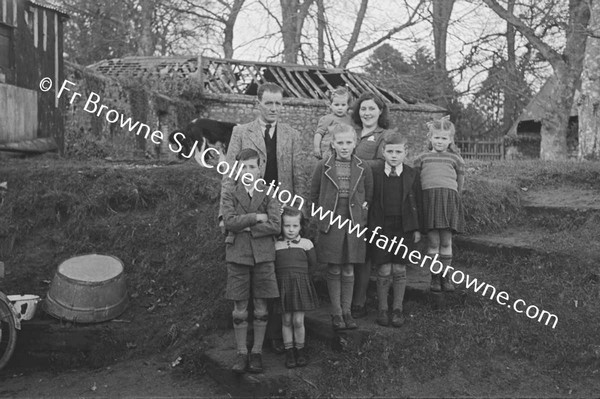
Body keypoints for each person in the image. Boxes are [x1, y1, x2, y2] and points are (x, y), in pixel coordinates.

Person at [220, 82, 305, 354]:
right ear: (258, 103)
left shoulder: (292, 134)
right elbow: (229, 173)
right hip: (247, 207)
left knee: (278, 273)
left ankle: (279, 335)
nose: (274, 108)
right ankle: (254, 343)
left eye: (279, 103)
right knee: (252, 273)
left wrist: (297, 215)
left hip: (279, 210)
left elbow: (298, 176)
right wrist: (224, 215)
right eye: (269, 103)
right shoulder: (242, 132)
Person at [221, 148, 282, 374]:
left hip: (264, 255)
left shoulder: (269, 193)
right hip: (237, 255)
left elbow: (276, 225)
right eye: (243, 167)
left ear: (260, 169)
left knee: (261, 306)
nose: (248, 171)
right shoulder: (229, 193)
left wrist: (246, 227)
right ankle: (241, 353)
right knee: (239, 307)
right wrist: (256, 217)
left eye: (252, 167)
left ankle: (256, 352)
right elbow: (228, 221)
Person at [311, 124, 373, 331]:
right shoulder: (323, 165)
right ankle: (336, 312)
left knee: (349, 268)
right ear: (333, 144)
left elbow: (368, 194)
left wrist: (362, 214)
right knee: (335, 268)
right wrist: (320, 217)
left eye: (348, 142)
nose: (344, 147)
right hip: (332, 221)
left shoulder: (363, 166)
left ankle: (347, 310)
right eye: (340, 143)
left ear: (355, 143)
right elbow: (314, 193)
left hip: (354, 223)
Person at [367, 131, 422, 327]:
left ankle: (397, 309)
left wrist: (417, 228)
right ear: (383, 151)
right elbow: (369, 200)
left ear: (405, 152)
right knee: (383, 268)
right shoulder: (374, 173)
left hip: (403, 227)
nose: (393, 155)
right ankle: (382, 308)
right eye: (389, 151)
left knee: (399, 267)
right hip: (380, 227)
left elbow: (418, 202)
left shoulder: (411, 174)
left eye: (398, 151)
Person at [350, 92, 395, 319]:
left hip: (371, 196)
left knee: (365, 250)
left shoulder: (384, 135)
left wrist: (351, 161)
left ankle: (360, 300)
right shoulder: (352, 132)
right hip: (347, 196)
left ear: (380, 111)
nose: (366, 113)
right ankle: (346, 299)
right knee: (349, 247)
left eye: (371, 109)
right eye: (363, 109)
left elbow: (381, 163)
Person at [413, 116, 465, 292]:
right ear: (430, 138)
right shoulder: (421, 159)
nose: (440, 141)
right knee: (433, 242)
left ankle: (446, 277)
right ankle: (434, 278)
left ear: (450, 140)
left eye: (444, 138)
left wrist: (454, 198)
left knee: (446, 241)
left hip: (448, 201)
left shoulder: (456, 159)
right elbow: (415, 182)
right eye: (436, 137)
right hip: (429, 201)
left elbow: (460, 183)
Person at [274, 207, 319, 368]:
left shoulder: (307, 244)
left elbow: (313, 265)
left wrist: (305, 281)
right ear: (281, 226)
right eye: (287, 226)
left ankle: (300, 350)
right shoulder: (276, 245)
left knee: (298, 320)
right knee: (286, 320)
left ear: (301, 226)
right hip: (283, 286)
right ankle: (289, 352)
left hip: (300, 285)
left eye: (295, 226)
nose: (291, 230)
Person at [313, 87, 353, 160]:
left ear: (348, 106)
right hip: (327, 151)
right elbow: (319, 133)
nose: (340, 108)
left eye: (343, 105)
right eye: (336, 105)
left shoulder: (349, 119)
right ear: (330, 105)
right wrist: (316, 148)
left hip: (343, 151)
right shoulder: (327, 119)